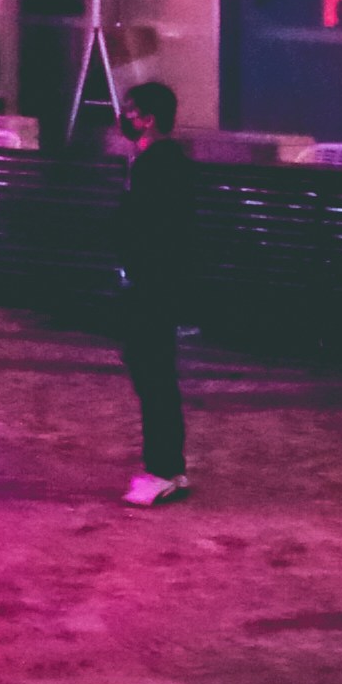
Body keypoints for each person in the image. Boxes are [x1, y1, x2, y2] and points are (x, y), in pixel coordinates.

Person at [112, 78, 202, 507]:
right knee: (156, 374)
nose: (124, 117)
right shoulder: (161, 162)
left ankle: (162, 468)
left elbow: (149, 230)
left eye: (130, 110)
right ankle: (171, 466)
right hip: (158, 284)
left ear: (148, 119)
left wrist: (137, 274)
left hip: (151, 286)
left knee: (152, 374)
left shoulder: (155, 167)